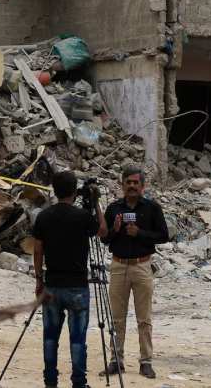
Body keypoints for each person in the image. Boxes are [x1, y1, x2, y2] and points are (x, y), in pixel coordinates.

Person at [32, 171, 107, 388]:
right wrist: (96, 204)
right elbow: (103, 231)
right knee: (77, 340)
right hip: (77, 287)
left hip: (52, 285)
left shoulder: (44, 217)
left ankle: (50, 381)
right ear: (75, 192)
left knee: (50, 338)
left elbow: (38, 251)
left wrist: (39, 280)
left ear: (54, 191)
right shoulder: (82, 217)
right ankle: (79, 382)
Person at [101, 165, 169, 379]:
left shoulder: (152, 208)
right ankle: (116, 360)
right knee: (117, 317)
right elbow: (104, 239)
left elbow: (163, 236)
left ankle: (146, 362)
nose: (132, 186)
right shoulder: (113, 209)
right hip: (119, 265)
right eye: (128, 182)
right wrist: (115, 230)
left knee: (144, 318)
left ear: (142, 185)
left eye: (135, 183)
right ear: (122, 184)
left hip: (142, 266)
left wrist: (139, 233)